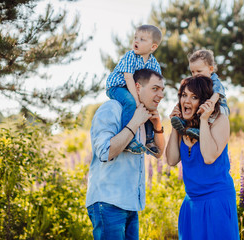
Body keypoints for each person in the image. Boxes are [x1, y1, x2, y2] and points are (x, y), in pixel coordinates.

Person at [87, 69, 165, 239]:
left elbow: (158, 153)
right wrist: (135, 121)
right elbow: (105, 152)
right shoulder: (112, 108)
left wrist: (157, 124)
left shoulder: (145, 116)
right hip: (108, 204)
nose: (161, 95)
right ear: (137, 88)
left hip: (131, 205)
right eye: (155, 88)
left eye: (162, 90)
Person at [166, 75, 239, 240]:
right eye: (184, 95)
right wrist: (174, 126)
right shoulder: (182, 126)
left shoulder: (220, 120)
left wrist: (204, 119)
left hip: (217, 201)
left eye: (194, 97)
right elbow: (171, 160)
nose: (187, 101)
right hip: (191, 203)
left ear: (204, 101)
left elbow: (208, 157)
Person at [106, 24, 162, 155]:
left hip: (133, 88)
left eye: (142, 39)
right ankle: (128, 140)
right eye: (136, 37)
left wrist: (150, 101)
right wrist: (137, 101)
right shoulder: (130, 56)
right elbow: (128, 78)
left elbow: (157, 82)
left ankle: (149, 139)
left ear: (153, 47)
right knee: (130, 102)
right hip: (117, 86)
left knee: (149, 107)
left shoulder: (154, 64)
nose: (136, 41)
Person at [171, 49, 230, 140]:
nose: (195, 75)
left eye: (199, 71)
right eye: (193, 72)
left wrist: (210, 104)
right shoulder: (198, 83)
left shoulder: (215, 81)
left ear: (210, 69)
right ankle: (182, 123)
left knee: (208, 112)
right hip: (204, 106)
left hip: (218, 108)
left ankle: (199, 130)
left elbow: (217, 94)